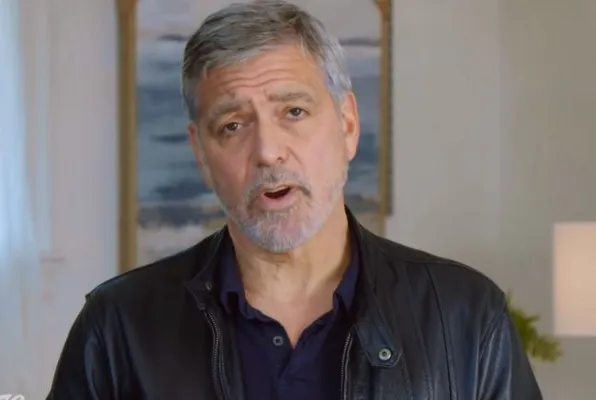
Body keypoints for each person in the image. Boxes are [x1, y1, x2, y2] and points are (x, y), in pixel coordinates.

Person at [47, 1, 542, 399]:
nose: (267, 151)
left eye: (294, 111)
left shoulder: (467, 317)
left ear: (348, 125)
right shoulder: (118, 326)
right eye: (232, 126)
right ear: (200, 152)